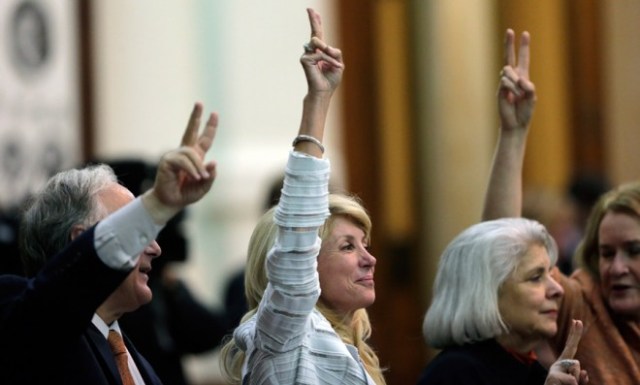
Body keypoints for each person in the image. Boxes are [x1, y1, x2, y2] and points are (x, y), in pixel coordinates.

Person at [219, 8, 386, 385]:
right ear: (306, 261)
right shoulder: (286, 336)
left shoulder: (352, 349)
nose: (369, 259)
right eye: (347, 247)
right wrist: (319, 101)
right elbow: (295, 245)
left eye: (364, 244)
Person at [0, 102, 219, 384]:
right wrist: (156, 206)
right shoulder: (30, 325)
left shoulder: (133, 354)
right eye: (136, 230)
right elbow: (52, 307)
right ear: (81, 242)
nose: (156, 248)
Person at [482, 27, 640, 385]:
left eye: (634, 250)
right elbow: (501, 251)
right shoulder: (585, 306)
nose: (616, 268)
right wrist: (513, 135)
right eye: (605, 253)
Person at [104, 158, 245, 385]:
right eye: (146, 229)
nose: (156, 248)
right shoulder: (123, 298)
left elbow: (210, 333)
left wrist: (175, 289)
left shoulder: (164, 285)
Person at [417, 217, 588, 384]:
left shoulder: (532, 369)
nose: (558, 290)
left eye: (551, 275)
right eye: (536, 277)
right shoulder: (454, 374)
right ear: (485, 293)